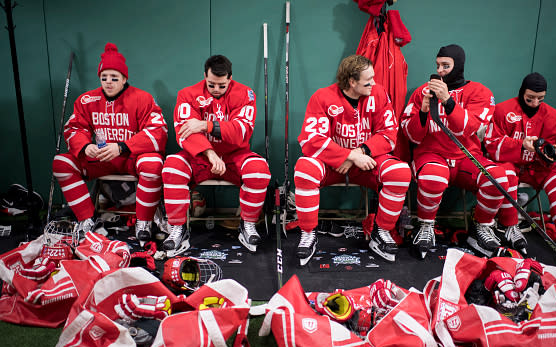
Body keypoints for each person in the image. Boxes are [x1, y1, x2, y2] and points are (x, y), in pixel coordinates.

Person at [400, 44, 526, 258]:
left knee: (498, 178)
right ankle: (426, 226)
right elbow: (410, 136)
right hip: (432, 155)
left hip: (466, 157)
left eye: (446, 66)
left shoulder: (480, 92)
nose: (440, 70)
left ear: (458, 66)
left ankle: (482, 227)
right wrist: (422, 113)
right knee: (433, 176)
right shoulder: (423, 92)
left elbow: (470, 129)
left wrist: (448, 101)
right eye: (438, 65)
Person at [294, 54, 411, 265]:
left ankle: (382, 231)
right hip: (332, 164)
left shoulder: (379, 93)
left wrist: (360, 152)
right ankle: (308, 233)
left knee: (400, 173)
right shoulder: (322, 97)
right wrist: (347, 155)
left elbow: (389, 134)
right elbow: (311, 140)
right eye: (368, 80)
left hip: (366, 161)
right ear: (351, 81)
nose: (374, 83)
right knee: (304, 168)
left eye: (373, 78)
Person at [52, 43, 167, 245]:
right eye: (104, 77)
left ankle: (144, 221)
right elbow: (73, 128)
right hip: (101, 158)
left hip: (131, 158)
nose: (109, 82)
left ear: (124, 78)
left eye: (114, 78)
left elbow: (159, 131)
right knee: (61, 163)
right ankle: (88, 219)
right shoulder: (86, 100)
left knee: (153, 164)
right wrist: (86, 146)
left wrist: (123, 146)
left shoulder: (142, 98)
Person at [161, 55, 271, 256]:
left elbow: (241, 131)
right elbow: (184, 133)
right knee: (172, 165)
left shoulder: (246, 94)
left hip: (233, 156)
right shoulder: (187, 94)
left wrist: (206, 125)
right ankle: (178, 228)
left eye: (222, 85)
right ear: (204, 76)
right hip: (200, 157)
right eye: (212, 85)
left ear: (230, 78)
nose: (217, 90)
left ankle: (247, 225)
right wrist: (210, 154)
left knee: (259, 170)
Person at [484, 72, 556, 249]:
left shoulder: (553, 117)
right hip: (510, 163)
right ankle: (509, 225)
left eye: (540, 99)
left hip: (537, 167)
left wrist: (550, 154)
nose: (535, 103)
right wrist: (521, 144)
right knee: (505, 173)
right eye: (530, 98)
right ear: (522, 92)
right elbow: (491, 144)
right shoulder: (503, 110)